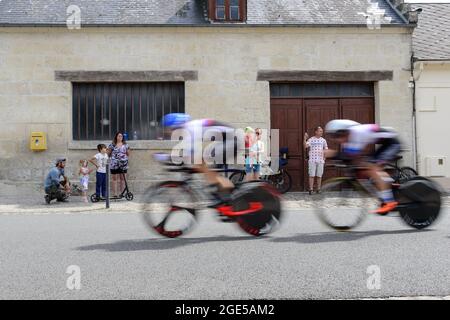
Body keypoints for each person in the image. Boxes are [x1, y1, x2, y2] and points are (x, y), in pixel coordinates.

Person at [324, 119, 401, 214]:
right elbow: (349, 159)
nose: (337, 139)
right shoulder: (348, 138)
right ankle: (386, 189)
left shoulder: (357, 132)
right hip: (384, 144)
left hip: (392, 143)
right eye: (334, 137)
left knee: (373, 167)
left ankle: (389, 201)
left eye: (337, 136)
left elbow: (349, 156)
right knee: (365, 167)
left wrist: (333, 154)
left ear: (345, 131)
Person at [162, 113, 235, 206]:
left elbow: (189, 154)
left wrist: (168, 158)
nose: (169, 133)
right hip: (227, 140)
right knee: (202, 163)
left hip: (232, 140)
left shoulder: (191, 129)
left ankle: (228, 193)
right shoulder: (189, 129)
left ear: (175, 126)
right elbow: (187, 153)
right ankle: (221, 194)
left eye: (169, 129)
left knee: (201, 164)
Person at [304, 126, 328, 195]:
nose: (321, 132)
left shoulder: (323, 140)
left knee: (319, 175)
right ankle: (311, 189)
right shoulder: (311, 139)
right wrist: (304, 139)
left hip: (320, 160)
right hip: (312, 160)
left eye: (322, 131)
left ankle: (318, 189)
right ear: (316, 132)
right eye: (320, 131)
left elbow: (326, 148)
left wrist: (325, 157)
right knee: (311, 175)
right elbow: (305, 146)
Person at [108, 132, 130, 198]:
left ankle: (122, 193)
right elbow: (109, 154)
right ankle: (115, 194)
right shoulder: (112, 145)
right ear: (116, 137)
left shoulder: (126, 145)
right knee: (114, 179)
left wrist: (126, 152)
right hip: (114, 164)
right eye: (119, 136)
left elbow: (128, 154)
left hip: (123, 164)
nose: (120, 137)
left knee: (122, 179)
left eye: (121, 136)